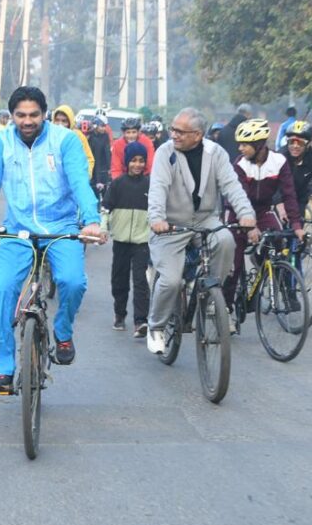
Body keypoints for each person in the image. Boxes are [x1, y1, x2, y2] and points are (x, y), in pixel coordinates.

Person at [0, 86, 104, 393]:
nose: (27, 121)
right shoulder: (0, 142)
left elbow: (80, 183)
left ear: (45, 114)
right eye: (21, 115)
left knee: (72, 281)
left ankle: (63, 332)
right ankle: (2, 369)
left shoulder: (65, 141)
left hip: (61, 227)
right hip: (17, 229)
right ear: (11, 116)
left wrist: (92, 222)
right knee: (3, 291)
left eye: (34, 115)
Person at [146, 108, 258, 355]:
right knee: (171, 280)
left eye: (180, 131)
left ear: (198, 135)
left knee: (226, 240)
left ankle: (211, 296)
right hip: (170, 224)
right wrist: (157, 218)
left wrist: (246, 213)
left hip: (205, 219)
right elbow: (158, 188)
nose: (173, 135)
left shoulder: (215, 153)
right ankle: (156, 326)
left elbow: (232, 186)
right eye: (172, 129)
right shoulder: (165, 153)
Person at [222, 119, 303, 309]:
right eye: (239, 144)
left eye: (245, 144)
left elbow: (289, 194)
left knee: (278, 242)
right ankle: (226, 306)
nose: (240, 148)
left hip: (263, 210)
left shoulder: (279, 162)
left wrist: (297, 225)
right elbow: (239, 198)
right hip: (237, 212)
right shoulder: (240, 164)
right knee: (234, 264)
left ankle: (267, 274)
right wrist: (249, 226)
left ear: (259, 145)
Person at [103, 140, 151, 338]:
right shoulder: (117, 184)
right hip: (121, 240)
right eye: (134, 160)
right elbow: (106, 208)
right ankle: (119, 314)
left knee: (141, 281)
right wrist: (103, 229)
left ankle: (140, 321)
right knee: (119, 279)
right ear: (127, 162)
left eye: (141, 161)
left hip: (143, 240)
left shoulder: (150, 185)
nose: (137, 164)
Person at [52, 104, 95, 178]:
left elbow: (88, 159)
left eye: (64, 121)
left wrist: (84, 177)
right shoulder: (49, 136)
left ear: (70, 122)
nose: (60, 124)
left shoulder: (78, 136)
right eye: (57, 120)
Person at [86, 115, 113, 199]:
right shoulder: (89, 136)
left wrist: (109, 168)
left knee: (104, 196)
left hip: (102, 170)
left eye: (104, 126)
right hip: (92, 169)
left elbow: (107, 153)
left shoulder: (105, 136)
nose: (103, 128)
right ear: (95, 125)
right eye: (102, 126)